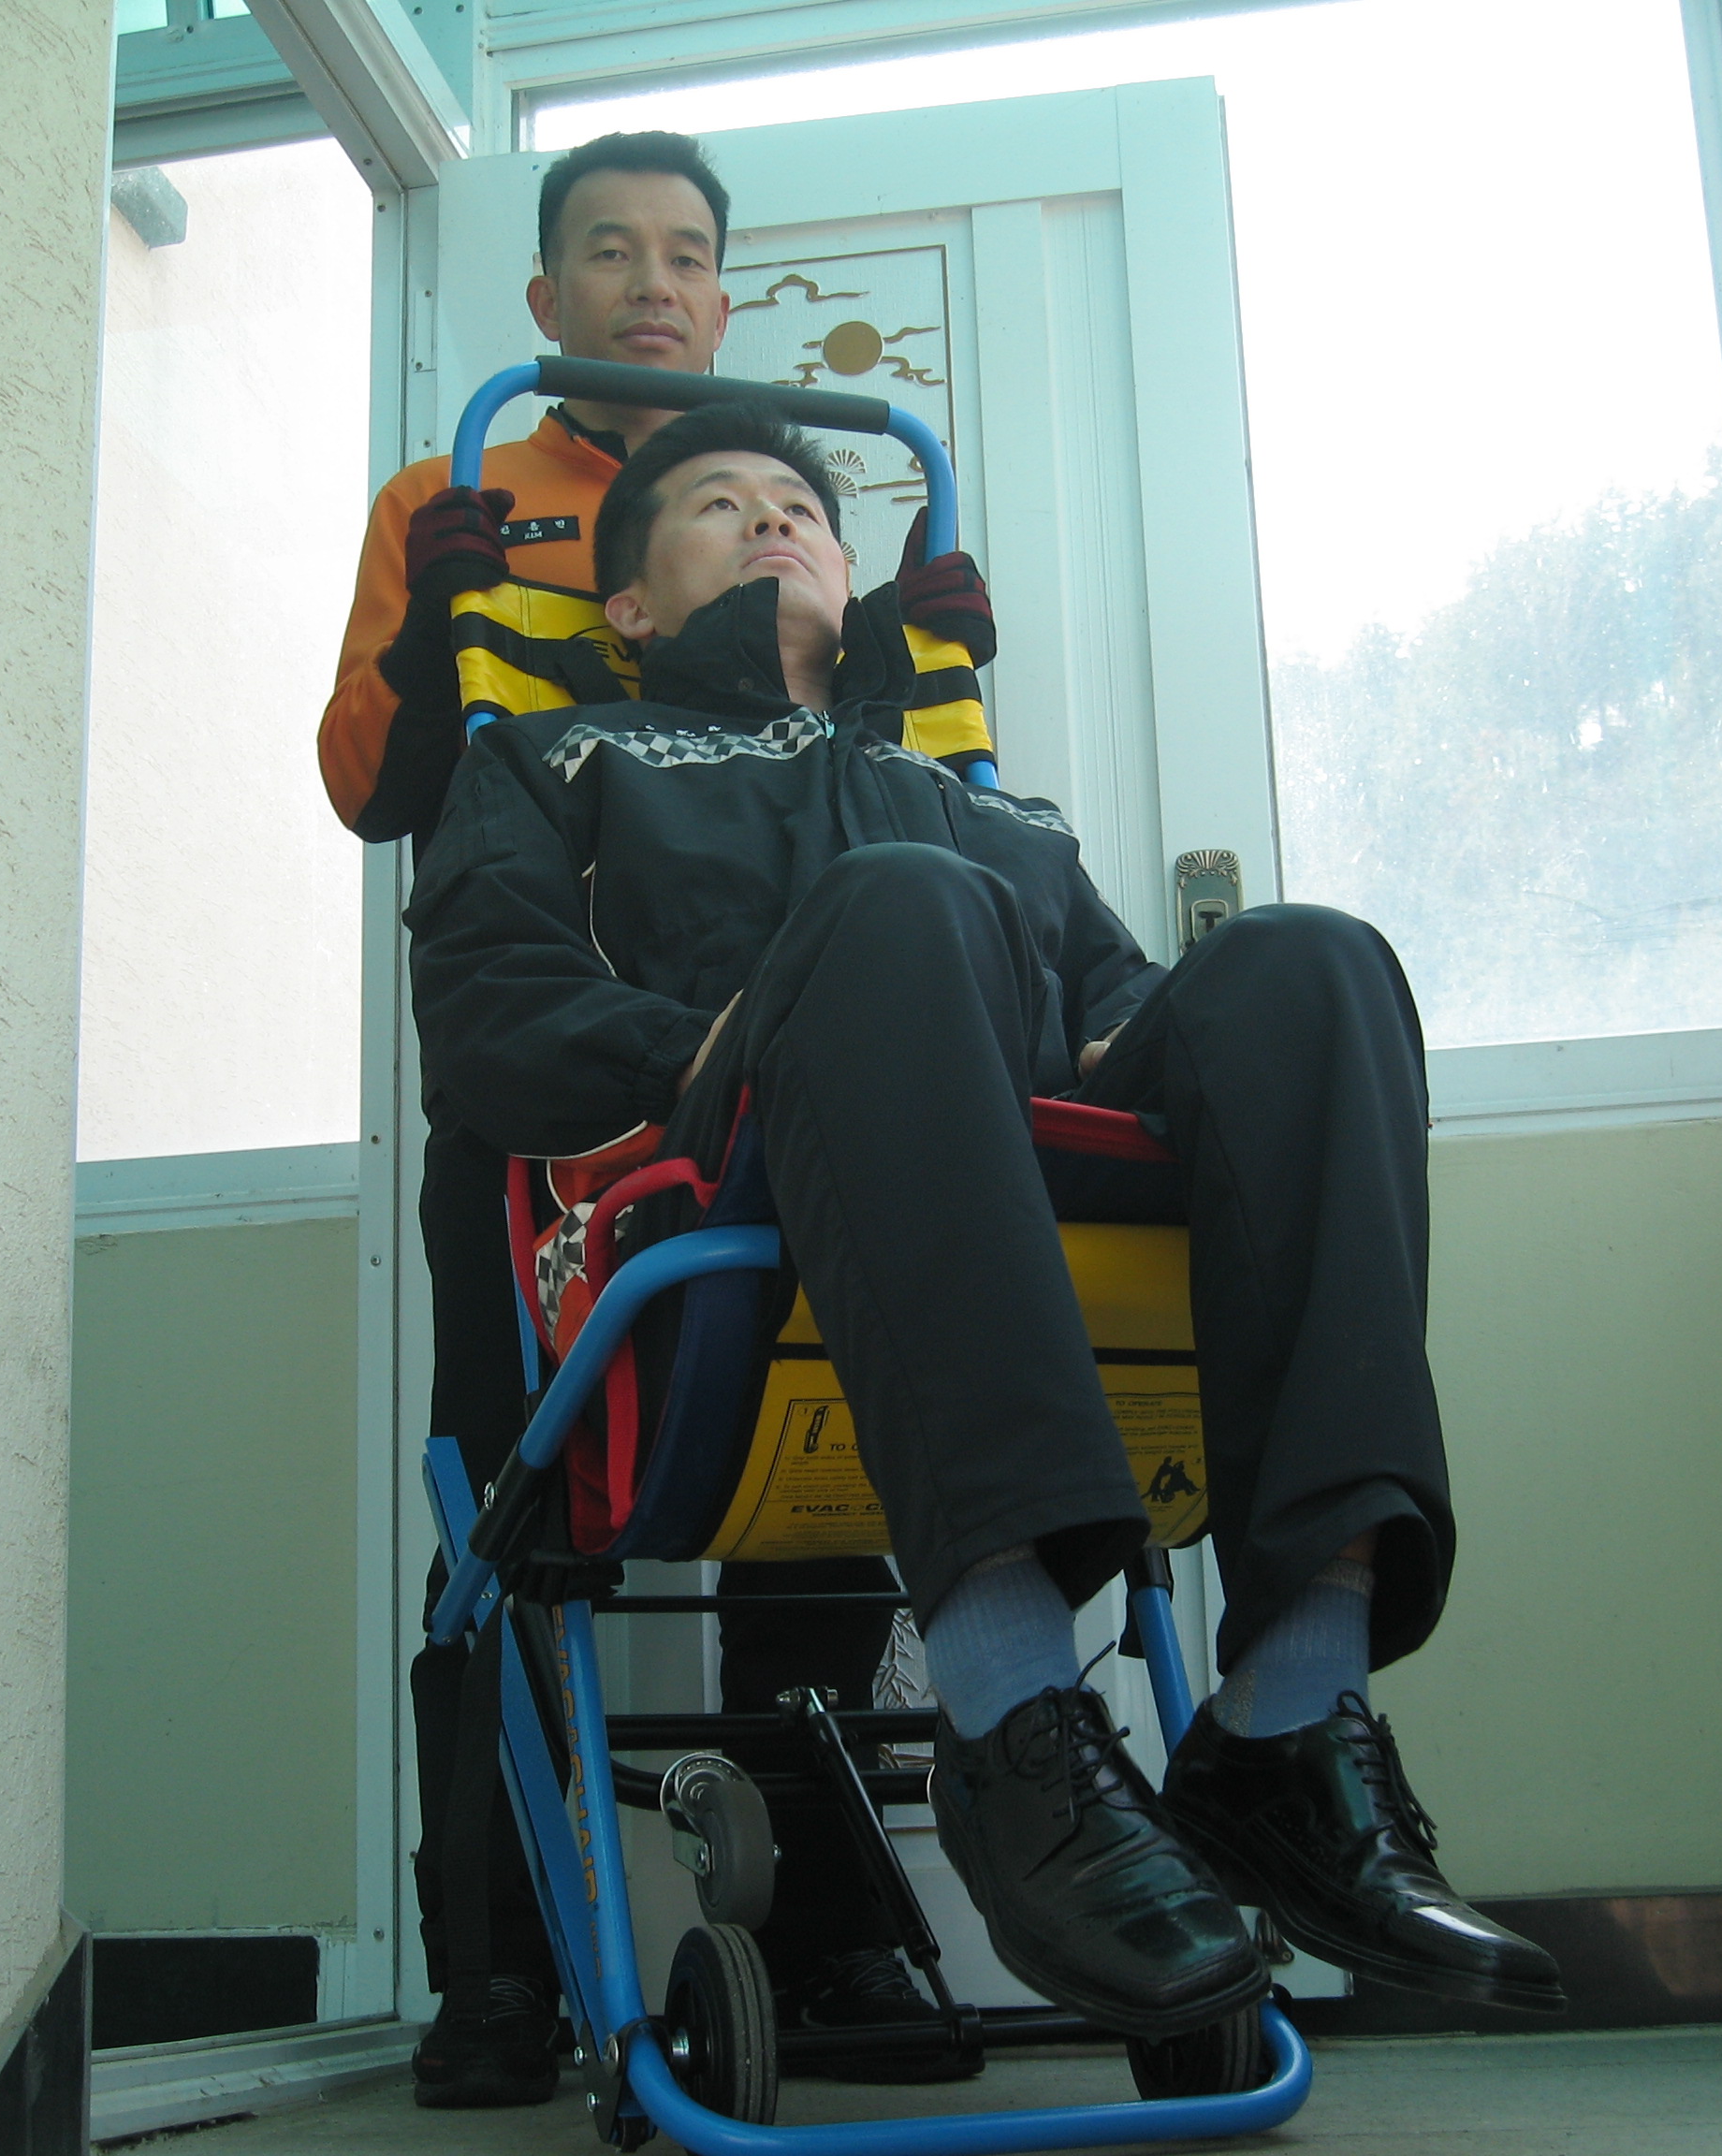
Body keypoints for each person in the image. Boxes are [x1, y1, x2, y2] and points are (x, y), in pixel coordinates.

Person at [405, 403, 1569, 2042]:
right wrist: (731, 1039)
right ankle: (1014, 1707)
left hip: (1026, 1256)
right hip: (719, 1268)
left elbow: (1119, 1017)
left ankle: (1294, 1715)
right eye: (719, 504)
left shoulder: (998, 817)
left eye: (803, 506)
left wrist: (1126, 1036)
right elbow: (489, 1015)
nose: (774, 520)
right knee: (901, 910)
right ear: (630, 609)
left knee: (1316, 968)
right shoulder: (555, 761)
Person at [315, 132, 999, 2107]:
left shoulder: (795, 501)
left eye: (687, 255)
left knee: (822, 1488)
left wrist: (922, 658)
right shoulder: (453, 495)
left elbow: (897, 796)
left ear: (723, 295)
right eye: (609, 252)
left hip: (820, 1077)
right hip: (567, 1083)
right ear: (547, 299)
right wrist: (437, 638)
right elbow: (378, 793)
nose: (651, 283)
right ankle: (495, 1969)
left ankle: (824, 1929)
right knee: (504, 1501)